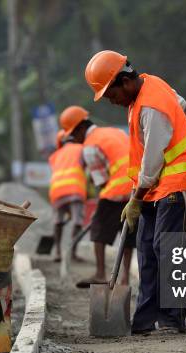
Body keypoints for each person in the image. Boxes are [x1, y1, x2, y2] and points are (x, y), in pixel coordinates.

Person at [85, 50, 186, 334]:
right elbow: (181, 103)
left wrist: (135, 198)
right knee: (147, 251)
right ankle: (145, 320)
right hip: (154, 187)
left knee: (167, 249)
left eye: (111, 95)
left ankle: (173, 320)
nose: (112, 102)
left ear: (123, 82)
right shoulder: (148, 88)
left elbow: (152, 158)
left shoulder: (151, 107)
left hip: (176, 184)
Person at [57, 105, 136, 288]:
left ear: (81, 129)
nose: (75, 141)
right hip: (137, 189)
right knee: (127, 233)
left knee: (98, 229)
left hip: (117, 189)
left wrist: (99, 208)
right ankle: (124, 279)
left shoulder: (90, 146)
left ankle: (101, 274)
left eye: (74, 136)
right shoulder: (113, 131)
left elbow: (101, 181)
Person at [48, 129, 87, 262]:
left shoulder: (54, 155)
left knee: (58, 221)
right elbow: (87, 167)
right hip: (75, 189)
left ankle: (57, 252)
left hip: (57, 191)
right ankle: (72, 253)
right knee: (77, 221)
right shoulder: (81, 148)